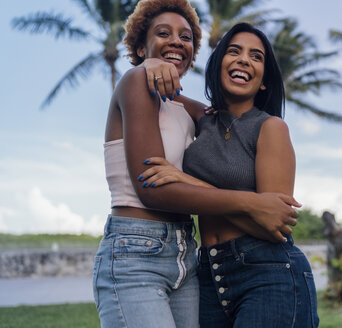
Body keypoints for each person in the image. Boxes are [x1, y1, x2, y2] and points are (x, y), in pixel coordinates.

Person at [93, 1, 299, 327]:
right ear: (139, 45)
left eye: (186, 37)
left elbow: (231, 114)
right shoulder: (135, 83)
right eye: (163, 33)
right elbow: (152, 188)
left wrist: (183, 178)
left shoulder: (194, 113)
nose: (177, 41)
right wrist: (146, 66)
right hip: (136, 249)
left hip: (187, 255)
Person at [141, 23, 319, 327]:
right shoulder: (203, 119)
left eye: (256, 56)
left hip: (268, 271)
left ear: (264, 81)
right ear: (218, 65)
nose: (244, 60)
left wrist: (186, 180)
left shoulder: (271, 128)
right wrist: (152, 62)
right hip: (208, 275)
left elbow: (271, 224)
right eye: (233, 51)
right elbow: (151, 84)